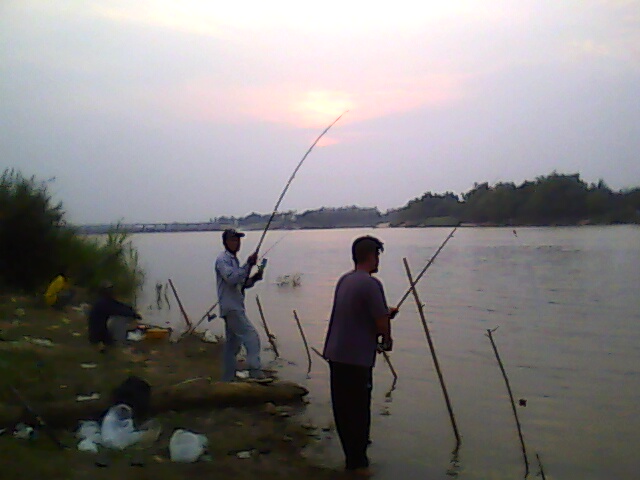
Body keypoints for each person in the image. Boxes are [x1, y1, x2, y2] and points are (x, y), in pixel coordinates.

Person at [322, 236, 399, 476]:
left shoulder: (345, 280)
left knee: (343, 410)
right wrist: (387, 340)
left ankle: (350, 459)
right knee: (358, 412)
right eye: (377, 255)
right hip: (356, 360)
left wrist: (385, 314)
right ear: (371, 255)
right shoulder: (371, 283)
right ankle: (358, 464)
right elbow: (380, 322)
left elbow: (359, 313)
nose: (378, 260)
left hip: (336, 354)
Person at [215, 228, 265, 381]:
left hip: (235, 307)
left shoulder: (233, 261)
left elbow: (241, 284)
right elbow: (231, 278)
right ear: (226, 242)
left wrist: (255, 277)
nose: (237, 243)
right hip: (232, 309)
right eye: (233, 240)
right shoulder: (222, 259)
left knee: (232, 346)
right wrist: (247, 265)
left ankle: (227, 378)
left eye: (238, 240)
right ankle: (255, 372)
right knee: (252, 338)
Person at [87, 281, 141, 351]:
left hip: (98, 332)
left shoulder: (104, 301)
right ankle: (119, 340)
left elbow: (118, 305)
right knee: (120, 318)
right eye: (110, 290)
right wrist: (134, 314)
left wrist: (130, 308)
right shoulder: (104, 303)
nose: (112, 292)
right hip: (98, 334)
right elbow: (119, 311)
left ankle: (112, 340)